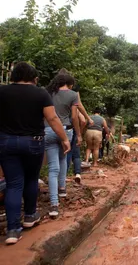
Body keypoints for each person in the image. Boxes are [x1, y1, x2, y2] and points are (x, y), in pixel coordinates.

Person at [0, 62, 70, 245]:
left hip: (7, 143)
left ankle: (13, 230)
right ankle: (30, 216)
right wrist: (64, 138)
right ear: (34, 77)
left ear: (13, 76)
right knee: (31, 179)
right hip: (33, 142)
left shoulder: (2, 92)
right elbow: (52, 118)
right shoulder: (40, 93)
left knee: (13, 184)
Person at [45, 74, 81, 218]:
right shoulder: (73, 95)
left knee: (53, 168)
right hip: (65, 130)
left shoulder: (48, 93)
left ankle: (54, 205)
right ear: (70, 83)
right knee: (63, 158)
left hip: (48, 130)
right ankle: (62, 189)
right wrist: (78, 134)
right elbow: (74, 117)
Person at [57, 69, 93, 183]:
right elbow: (80, 117)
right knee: (70, 152)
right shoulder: (73, 94)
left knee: (56, 155)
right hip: (69, 127)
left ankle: (57, 178)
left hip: (52, 126)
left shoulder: (51, 91)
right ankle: (70, 175)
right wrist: (79, 133)